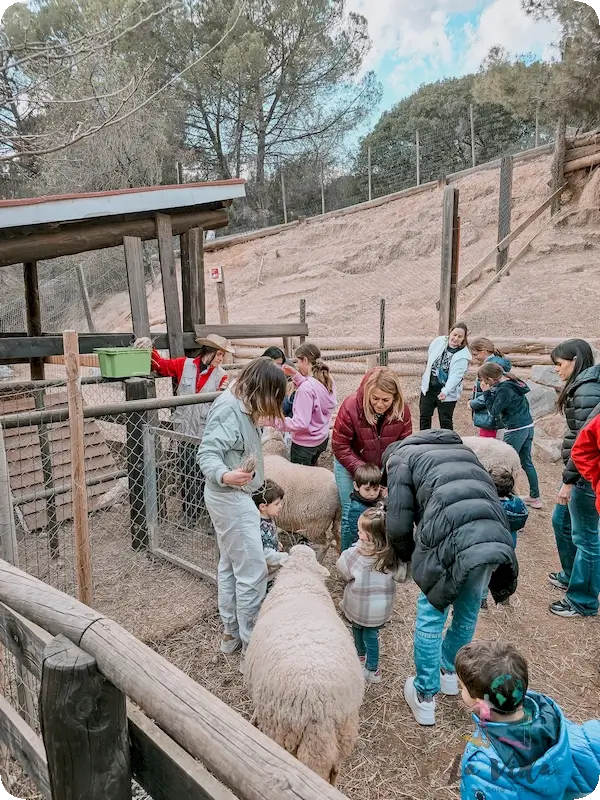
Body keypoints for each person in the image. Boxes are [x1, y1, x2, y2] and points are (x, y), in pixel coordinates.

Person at [382, 429, 518, 726]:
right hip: (492, 536)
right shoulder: (463, 451)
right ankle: (448, 671)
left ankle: (425, 695)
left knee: (431, 613)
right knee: (467, 611)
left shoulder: (399, 459)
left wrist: (406, 557)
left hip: (450, 537)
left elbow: (398, 520)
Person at [199, 357, 287, 658]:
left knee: (230, 565)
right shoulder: (230, 408)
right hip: (231, 498)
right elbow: (207, 453)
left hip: (236, 495)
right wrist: (225, 474)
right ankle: (251, 643)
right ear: (262, 389)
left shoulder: (243, 403)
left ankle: (231, 633)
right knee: (252, 571)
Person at [456, 640, 600, 800]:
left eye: (462, 688)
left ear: (479, 702)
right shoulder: (549, 715)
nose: (461, 690)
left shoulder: (484, 763)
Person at [137, 333, 233, 525]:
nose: (221, 359)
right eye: (219, 354)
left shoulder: (223, 377)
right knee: (187, 472)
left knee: (206, 474)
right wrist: (148, 349)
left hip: (206, 434)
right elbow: (161, 366)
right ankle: (189, 513)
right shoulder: (184, 364)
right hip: (184, 431)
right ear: (209, 352)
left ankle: (207, 513)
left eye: (223, 356)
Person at [332, 367, 412, 552]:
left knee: (377, 511)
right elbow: (339, 445)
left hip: (382, 465)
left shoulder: (402, 410)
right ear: (367, 393)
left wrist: (386, 475)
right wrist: (364, 472)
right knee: (351, 511)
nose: (380, 404)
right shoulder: (351, 406)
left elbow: (403, 446)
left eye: (386, 399)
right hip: (350, 462)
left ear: (395, 396)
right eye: (375, 398)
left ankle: (374, 556)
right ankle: (349, 560)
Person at [548, 339, 600, 618]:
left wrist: (569, 481)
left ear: (575, 360)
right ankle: (572, 575)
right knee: (561, 522)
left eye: (559, 364)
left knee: (587, 538)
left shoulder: (588, 390)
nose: (557, 370)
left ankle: (584, 600)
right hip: (577, 470)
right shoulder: (583, 386)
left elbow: (585, 439)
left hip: (584, 474)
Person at [336, 507, 409, 684]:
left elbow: (343, 571)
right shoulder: (390, 555)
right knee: (372, 634)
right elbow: (402, 576)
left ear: (368, 536)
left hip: (358, 603)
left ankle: (361, 657)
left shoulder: (355, 554)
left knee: (357, 629)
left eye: (360, 531)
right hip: (379, 608)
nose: (358, 533)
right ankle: (372, 669)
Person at [479, 363, 542, 510]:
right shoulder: (512, 381)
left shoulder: (504, 390)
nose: (485, 383)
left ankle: (506, 500)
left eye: (485, 380)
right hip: (528, 425)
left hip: (515, 429)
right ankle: (535, 497)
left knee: (505, 465)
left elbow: (493, 411)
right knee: (526, 462)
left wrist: (486, 392)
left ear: (490, 379)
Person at [273, 343, 336, 466]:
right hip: (321, 439)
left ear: (305, 360)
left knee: (300, 481)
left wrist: (272, 421)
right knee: (313, 471)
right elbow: (317, 393)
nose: (297, 365)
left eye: (298, 362)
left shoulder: (305, 389)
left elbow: (300, 423)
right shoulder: (328, 379)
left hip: (304, 445)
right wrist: (296, 376)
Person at [481, 467, 528, 610]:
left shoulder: (490, 506)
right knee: (503, 574)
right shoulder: (517, 504)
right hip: (508, 548)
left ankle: (481, 600)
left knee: (485, 575)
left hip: (489, 548)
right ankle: (504, 600)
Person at [420, 322, 470, 431]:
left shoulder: (462, 356)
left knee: (445, 420)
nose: (456, 338)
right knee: (424, 416)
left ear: (463, 338)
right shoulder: (439, 341)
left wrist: (445, 391)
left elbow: (455, 376)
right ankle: (423, 440)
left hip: (447, 392)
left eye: (460, 336)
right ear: (450, 333)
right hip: (430, 387)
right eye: (454, 334)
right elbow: (431, 356)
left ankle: (448, 443)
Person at [470, 338, 512, 439]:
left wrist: (473, 403)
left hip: (491, 415)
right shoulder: (491, 364)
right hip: (489, 412)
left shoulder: (492, 367)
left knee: (489, 445)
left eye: (475, 354)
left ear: (484, 351)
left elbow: (493, 392)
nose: (474, 358)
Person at [252, 479, 288, 593]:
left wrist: (275, 543)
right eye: (277, 504)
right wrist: (285, 558)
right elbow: (266, 555)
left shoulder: (267, 519)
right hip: (264, 576)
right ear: (263, 506)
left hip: (269, 569)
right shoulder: (261, 526)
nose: (281, 506)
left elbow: (268, 541)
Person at [343, 463, 384, 552]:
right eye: (367, 489)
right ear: (356, 486)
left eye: (376, 489)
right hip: (364, 545)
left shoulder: (376, 501)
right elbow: (356, 532)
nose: (372, 493)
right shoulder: (356, 509)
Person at [261, 346, 295, 417]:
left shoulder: (283, 373)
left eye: (280, 364)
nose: (279, 367)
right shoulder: (260, 376)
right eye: (276, 364)